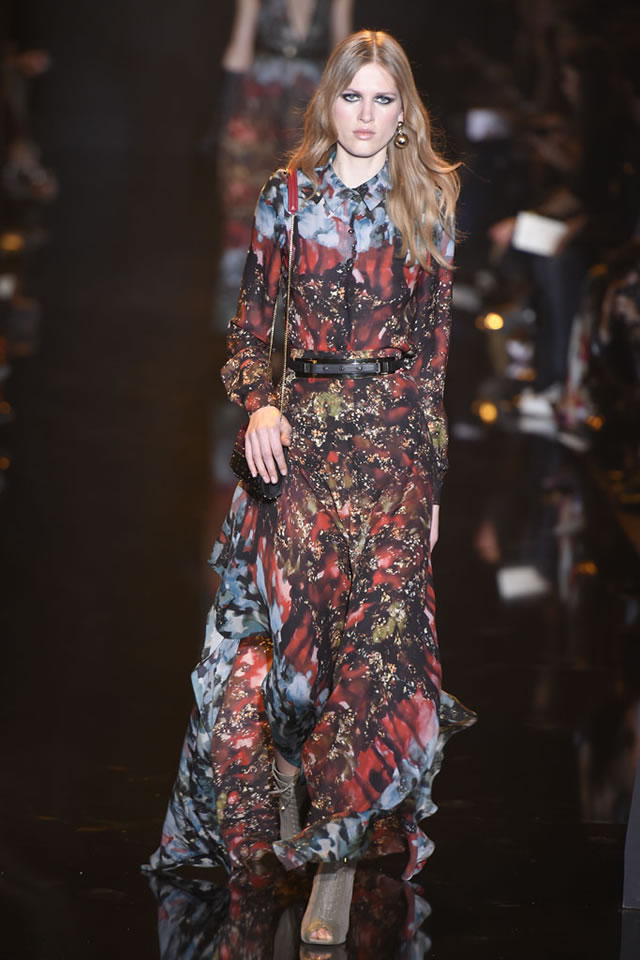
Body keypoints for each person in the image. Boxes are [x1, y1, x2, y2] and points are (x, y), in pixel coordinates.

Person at [145, 30, 476, 947]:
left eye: (383, 99)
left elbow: (434, 362)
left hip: (395, 454)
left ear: (404, 113)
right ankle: (299, 814)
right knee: (299, 670)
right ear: (328, 103)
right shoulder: (287, 198)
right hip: (302, 450)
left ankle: (336, 862)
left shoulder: (431, 200)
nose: (366, 114)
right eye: (352, 96)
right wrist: (259, 405)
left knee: (381, 656)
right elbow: (251, 333)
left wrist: (433, 487)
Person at [214, 0, 353, 330]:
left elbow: (342, 53)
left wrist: (347, 113)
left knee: (308, 203)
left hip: (311, 98)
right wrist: (226, 115)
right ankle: (243, 313)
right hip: (258, 99)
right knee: (246, 202)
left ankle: (299, 317)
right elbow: (240, 48)